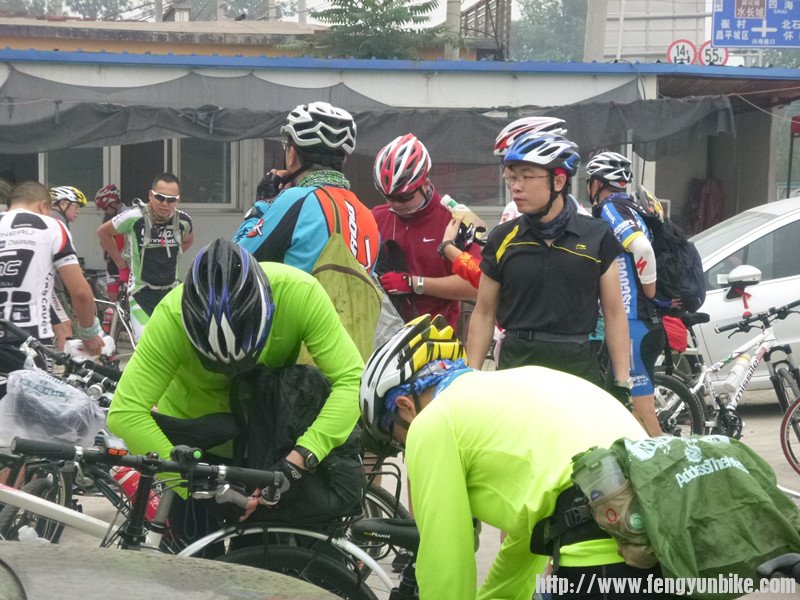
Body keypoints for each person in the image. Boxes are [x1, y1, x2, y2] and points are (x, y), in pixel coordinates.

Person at [359, 314, 653, 600]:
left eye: (397, 438)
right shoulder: (502, 390)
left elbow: (446, 561)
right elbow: (528, 540)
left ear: (404, 405)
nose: (405, 447)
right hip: (658, 524)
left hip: (601, 541)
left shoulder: (433, 421)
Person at [107, 239, 365, 533]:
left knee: (261, 562)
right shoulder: (172, 317)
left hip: (267, 439)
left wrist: (302, 456)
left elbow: (352, 380)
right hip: (197, 441)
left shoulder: (299, 293)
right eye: (215, 364)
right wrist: (193, 485)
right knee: (192, 565)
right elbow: (125, 413)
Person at [466, 132, 632, 399]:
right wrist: (470, 377)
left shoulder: (597, 235)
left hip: (577, 370)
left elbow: (614, 313)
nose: (516, 186)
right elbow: (484, 312)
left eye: (527, 176)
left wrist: (623, 381)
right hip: (517, 369)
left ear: (559, 180)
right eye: (512, 176)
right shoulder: (502, 237)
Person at [234, 101, 379, 275]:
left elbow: (238, 260)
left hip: (297, 302)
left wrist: (263, 204)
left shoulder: (296, 200)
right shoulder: (367, 215)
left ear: (292, 155)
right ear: (343, 160)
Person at [586, 152, 665, 435]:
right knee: (623, 410)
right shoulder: (631, 206)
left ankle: (667, 470)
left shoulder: (611, 209)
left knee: (642, 411)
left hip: (634, 321)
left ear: (596, 184)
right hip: (637, 321)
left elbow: (642, 249)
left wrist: (650, 290)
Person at [372, 133, 479, 331]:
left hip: (439, 338)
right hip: (385, 337)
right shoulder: (376, 217)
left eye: (404, 198)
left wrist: (414, 283)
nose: (395, 205)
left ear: (426, 184)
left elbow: (477, 285)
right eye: (389, 197)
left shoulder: (456, 218)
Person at [0, 182, 103, 356]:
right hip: (28, 337)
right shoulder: (51, 226)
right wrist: (89, 335)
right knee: (64, 329)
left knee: (63, 327)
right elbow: (80, 292)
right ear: (43, 205)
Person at [97, 173, 194, 342]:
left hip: (170, 292)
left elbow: (188, 239)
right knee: (146, 343)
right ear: (150, 195)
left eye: (171, 199)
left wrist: (170, 257)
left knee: (174, 343)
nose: (165, 203)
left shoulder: (183, 220)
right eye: (160, 197)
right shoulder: (134, 217)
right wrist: (121, 265)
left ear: (177, 200)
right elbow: (103, 233)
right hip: (141, 292)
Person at [48, 185, 88, 350]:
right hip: (51, 288)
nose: (78, 210)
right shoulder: (57, 222)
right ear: (63, 203)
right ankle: (67, 371)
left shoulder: (51, 219)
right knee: (65, 327)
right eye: (76, 206)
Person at [94, 184, 125, 301]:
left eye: (105, 208)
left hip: (127, 261)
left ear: (114, 203)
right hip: (113, 262)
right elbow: (103, 238)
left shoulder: (127, 214)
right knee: (112, 296)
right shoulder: (107, 216)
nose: (105, 211)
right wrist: (105, 252)